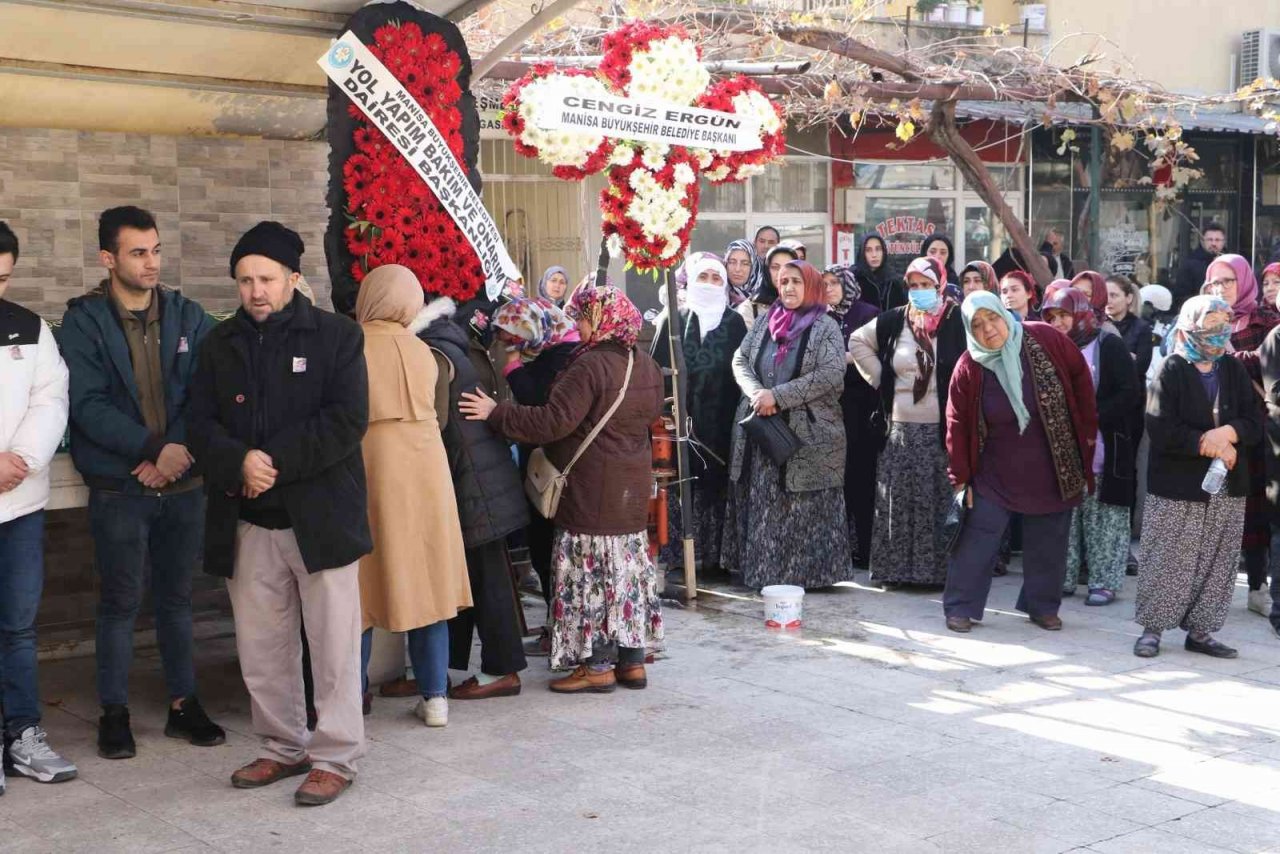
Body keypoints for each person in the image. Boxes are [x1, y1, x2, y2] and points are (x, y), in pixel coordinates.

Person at [186, 221, 369, 805]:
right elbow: (199, 423)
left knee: (333, 649)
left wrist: (274, 461)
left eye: (266, 279)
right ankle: (282, 746)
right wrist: (238, 461)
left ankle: (335, 757)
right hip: (248, 519)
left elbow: (346, 420)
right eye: (244, 281)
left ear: (293, 277)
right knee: (262, 649)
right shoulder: (219, 344)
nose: (255, 291)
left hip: (321, 520)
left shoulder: (338, 337)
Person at [59, 206, 223, 761]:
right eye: (137, 252)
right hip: (121, 489)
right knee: (120, 602)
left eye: (155, 250)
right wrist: (154, 451)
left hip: (182, 485)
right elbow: (87, 405)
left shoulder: (188, 315)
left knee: (178, 599)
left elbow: (206, 392)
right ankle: (114, 713)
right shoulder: (84, 322)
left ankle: (183, 705)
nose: (151, 263)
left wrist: (174, 453)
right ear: (108, 258)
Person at [460, 285, 665, 693]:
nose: (577, 323)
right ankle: (631, 662)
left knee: (591, 575)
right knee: (625, 574)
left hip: (591, 489)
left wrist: (497, 413)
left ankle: (597, 665)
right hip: (630, 486)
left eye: (584, 316)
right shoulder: (647, 365)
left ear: (602, 319)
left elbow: (553, 422)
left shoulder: (589, 365)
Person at [353, 265, 471, 729]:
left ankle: (353, 696)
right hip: (427, 477)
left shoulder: (349, 348)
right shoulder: (428, 353)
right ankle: (435, 697)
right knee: (429, 585)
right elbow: (441, 418)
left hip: (368, 473)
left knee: (359, 589)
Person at [942, 292, 1097, 633]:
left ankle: (1043, 607)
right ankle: (960, 606)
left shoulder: (1045, 339)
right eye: (977, 325)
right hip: (994, 471)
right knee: (977, 537)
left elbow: (1080, 381)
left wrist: (1085, 437)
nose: (988, 329)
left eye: (992, 318)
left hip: (1053, 463)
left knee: (1049, 539)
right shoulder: (970, 365)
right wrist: (961, 479)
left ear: (1004, 314)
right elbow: (957, 423)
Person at [411, 296, 530, 699]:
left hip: (473, 485)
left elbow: (434, 424)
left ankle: (503, 670)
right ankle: (439, 670)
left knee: (487, 580)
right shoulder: (448, 343)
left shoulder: (431, 352)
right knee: (465, 578)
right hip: (478, 480)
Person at [1135, 295, 1261, 659]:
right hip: (1178, 485)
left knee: (1216, 561)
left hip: (1226, 485)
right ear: (1190, 327)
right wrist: (1209, 444)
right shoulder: (1172, 368)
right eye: (1210, 326)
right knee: (1168, 558)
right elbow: (1160, 427)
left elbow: (1254, 420)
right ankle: (1152, 629)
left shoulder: (1232, 368)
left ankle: (1201, 632)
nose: (1218, 333)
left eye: (1224, 325)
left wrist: (1229, 434)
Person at [722, 260, 853, 588]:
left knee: (801, 504)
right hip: (762, 429)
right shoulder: (766, 320)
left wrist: (778, 397)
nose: (790, 287)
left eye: (797, 281)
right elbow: (740, 359)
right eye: (784, 282)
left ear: (811, 285)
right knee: (766, 502)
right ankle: (764, 573)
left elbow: (830, 373)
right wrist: (757, 393)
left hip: (808, 434)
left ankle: (808, 577)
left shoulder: (826, 326)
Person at [0, 222, 75, 791]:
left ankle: (23, 735)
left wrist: (20, 458)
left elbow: (52, 398)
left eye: (3, 278)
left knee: (19, 628)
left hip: (18, 501)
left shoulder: (29, 328)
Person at [850, 257, 964, 587]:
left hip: (940, 431)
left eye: (926, 285)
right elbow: (857, 341)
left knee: (935, 502)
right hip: (899, 430)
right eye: (913, 286)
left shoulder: (957, 320)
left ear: (940, 285)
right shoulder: (896, 319)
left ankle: (936, 575)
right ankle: (895, 573)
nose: (918, 291)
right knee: (897, 503)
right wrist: (881, 377)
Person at [493, 297, 579, 655]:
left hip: (555, 471)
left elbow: (538, 406)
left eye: (511, 334)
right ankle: (557, 626)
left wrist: (513, 367)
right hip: (546, 468)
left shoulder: (562, 356)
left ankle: (560, 630)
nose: (505, 341)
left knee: (549, 551)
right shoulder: (554, 349)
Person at [1041, 288, 1139, 605]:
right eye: (1051, 317)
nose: (1057, 323)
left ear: (1081, 314)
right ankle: (1063, 578)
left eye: (1064, 315)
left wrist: (1090, 416)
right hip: (1062, 451)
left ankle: (1104, 582)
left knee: (1105, 520)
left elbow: (1129, 392)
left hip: (1103, 450)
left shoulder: (1108, 345)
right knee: (1065, 520)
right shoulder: (1046, 347)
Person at [651, 254, 747, 572]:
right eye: (703, 277)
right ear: (691, 281)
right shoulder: (673, 319)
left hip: (721, 422)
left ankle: (715, 557)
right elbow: (654, 370)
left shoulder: (734, 323)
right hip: (677, 422)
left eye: (716, 278)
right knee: (679, 482)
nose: (709, 284)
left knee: (716, 484)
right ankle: (678, 555)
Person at [1202, 254, 1280, 617]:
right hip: (1213, 423)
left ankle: (1258, 586)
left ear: (1244, 282)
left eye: (1229, 281)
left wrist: (1231, 355)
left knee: (1256, 506)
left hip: (1257, 426)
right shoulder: (1202, 316)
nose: (1222, 288)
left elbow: (1269, 361)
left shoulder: (1266, 319)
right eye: (1215, 282)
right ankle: (1206, 588)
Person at [824, 263, 880, 566]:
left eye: (835, 283)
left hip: (861, 408)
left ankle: (866, 549)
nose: (829, 289)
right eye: (825, 284)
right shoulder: (820, 316)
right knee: (837, 481)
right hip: (830, 408)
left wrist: (849, 357)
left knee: (862, 479)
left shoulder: (867, 314)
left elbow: (875, 355)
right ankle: (840, 548)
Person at [1106, 275, 1154, 381]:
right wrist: (1127, 356)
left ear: (1128, 298)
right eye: (1105, 295)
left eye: (1113, 295)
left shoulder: (1142, 328)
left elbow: (1140, 367)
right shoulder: (1098, 326)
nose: (1108, 300)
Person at [738, 245, 795, 331]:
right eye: (775, 267)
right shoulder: (750, 308)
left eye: (788, 267)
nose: (781, 273)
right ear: (766, 270)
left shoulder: (806, 305)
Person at [1173, 223, 1226, 310]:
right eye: (1209, 240)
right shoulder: (1190, 263)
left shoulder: (1230, 262)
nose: (1213, 243)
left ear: (1223, 242)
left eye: (1217, 240)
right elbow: (1180, 296)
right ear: (1202, 241)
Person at [854, 234, 904, 312]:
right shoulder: (853, 279)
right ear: (862, 253)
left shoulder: (893, 281)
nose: (874, 255)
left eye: (878, 249)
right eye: (868, 250)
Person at [724, 239, 764, 307]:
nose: (737, 269)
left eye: (745, 264)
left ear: (754, 267)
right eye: (732, 262)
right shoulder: (716, 293)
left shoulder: (766, 300)